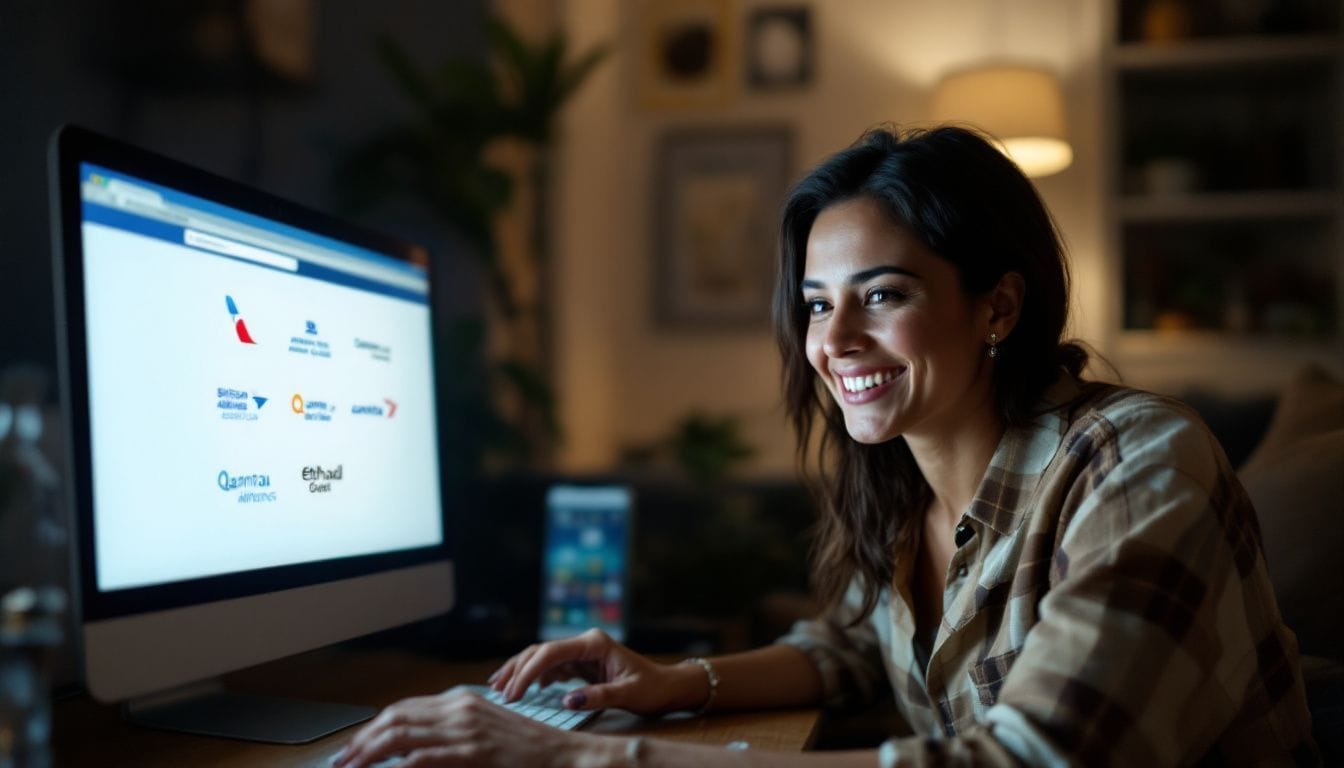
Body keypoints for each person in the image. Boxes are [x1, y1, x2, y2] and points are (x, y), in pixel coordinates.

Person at [334, 126, 1319, 767]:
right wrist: (677, 678)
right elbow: (852, 646)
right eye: (816, 305)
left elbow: (1032, 762)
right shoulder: (903, 483)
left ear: (998, 306)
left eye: (883, 296)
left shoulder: (1141, 466)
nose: (834, 342)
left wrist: (580, 755)